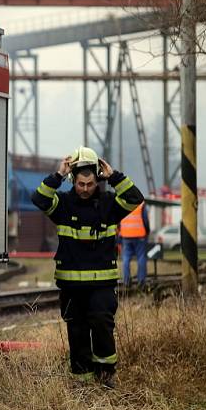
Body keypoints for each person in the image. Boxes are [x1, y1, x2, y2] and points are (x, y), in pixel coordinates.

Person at [32, 146, 144, 388]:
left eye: (90, 184)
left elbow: (135, 198)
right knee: (77, 331)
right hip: (71, 285)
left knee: (102, 325)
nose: (84, 189)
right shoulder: (62, 205)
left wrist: (114, 176)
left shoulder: (109, 204)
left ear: (97, 180)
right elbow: (39, 199)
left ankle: (106, 376)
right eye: (80, 184)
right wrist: (58, 175)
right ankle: (82, 383)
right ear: (73, 180)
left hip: (102, 284)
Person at [119, 202, 150, 287]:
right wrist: (147, 231)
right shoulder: (141, 204)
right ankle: (141, 281)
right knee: (141, 257)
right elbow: (146, 220)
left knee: (125, 258)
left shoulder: (122, 203)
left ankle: (126, 281)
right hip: (140, 235)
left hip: (126, 235)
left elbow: (118, 220)